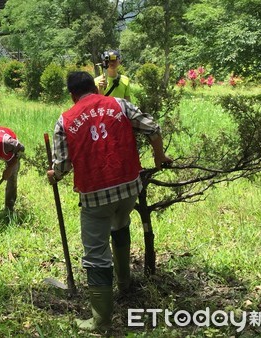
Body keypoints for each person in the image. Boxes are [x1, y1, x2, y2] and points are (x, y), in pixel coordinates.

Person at [46, 71, 171, 332]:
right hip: (128, 188)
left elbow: (62, 166)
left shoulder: (65, 120)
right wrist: (159, 157)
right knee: (121, 223)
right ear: (96, 88)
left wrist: (53, 175)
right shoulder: (120, 105)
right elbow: (153, 128)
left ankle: (101, 320)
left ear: (72, 95)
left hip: (95, 195)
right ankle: (124, 283)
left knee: (95, 254)